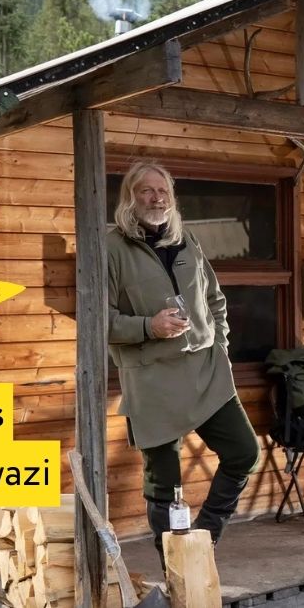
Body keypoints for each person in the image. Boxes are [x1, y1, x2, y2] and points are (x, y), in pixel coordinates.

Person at [105, 161, 260, 564]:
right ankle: (176, 562)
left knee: (244, 451)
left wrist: (219, 347)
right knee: (165, 481)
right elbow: (97, 319)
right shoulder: (111, 248)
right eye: (146, 191)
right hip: (152, 378)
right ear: (129, 197)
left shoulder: (186, 239)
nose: (156, 198)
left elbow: (215, 301)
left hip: (206, 372)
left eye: (163, 191)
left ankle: (205, 539)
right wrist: (148, 326)